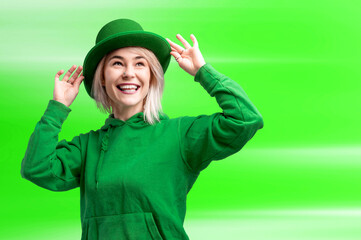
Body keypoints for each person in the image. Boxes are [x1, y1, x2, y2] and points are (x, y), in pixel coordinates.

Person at [20, 18, 264, 240]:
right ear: (102, 77)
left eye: (140, 64)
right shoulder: (87, 148)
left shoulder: (178, 135)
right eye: (117, 63)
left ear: (152, 76)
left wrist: (203, 72)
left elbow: (245, 119)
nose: (129, 73)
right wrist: (57, 109)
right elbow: (37, 168)